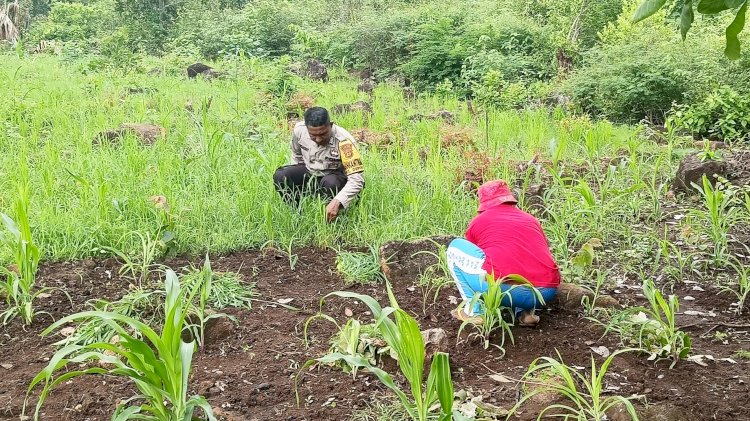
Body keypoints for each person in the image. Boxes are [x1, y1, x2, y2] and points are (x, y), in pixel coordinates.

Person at [447, 180, 560, 327]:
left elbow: (480, 262)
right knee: (521, 257)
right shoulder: (531, 220)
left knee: (454, 247)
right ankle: (526, 313)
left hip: (504, 289)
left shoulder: (479, 221)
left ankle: (474, 312)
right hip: (546, 292)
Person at [273, 107, 365, 222]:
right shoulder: (299, 131)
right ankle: (297, 214)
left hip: (334, 178)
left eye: (323, 134)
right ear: (307, 128)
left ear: (330, 125)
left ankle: (333, 217)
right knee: (282, 176)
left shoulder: (344, 141)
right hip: (311, 173)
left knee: (331, 183)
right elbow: (297, 156)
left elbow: (357, 179)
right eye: (313, 136)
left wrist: (338, 201)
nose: (318, 139)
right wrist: (299, 183)